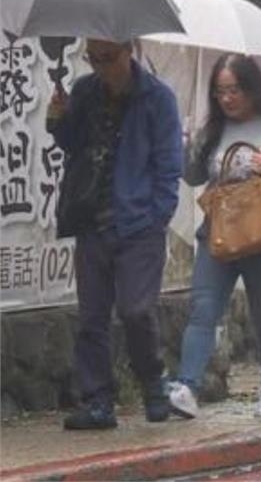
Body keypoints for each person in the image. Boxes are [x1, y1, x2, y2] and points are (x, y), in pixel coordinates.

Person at [168, 54, 261, 421]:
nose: (227, 99)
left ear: (251, 88)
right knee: (203, 308)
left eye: (234, 90)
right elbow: (191, 175)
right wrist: (186, 146)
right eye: (220, 92)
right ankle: (187, 385)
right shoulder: (214, 130)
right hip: (217, 234)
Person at [48, 39, 183, 430]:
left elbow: (169, 164)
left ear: (129, 50)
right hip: (92, 220)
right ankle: (98, 402)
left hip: (139, 224)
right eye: (94, 58)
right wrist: (58, 119)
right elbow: (72, 145)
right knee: (92, 316)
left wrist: (157, 216)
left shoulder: (158, 98)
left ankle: (153, 384)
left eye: (108, 58)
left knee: (136, 311)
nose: (101, 66)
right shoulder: (85, 90)